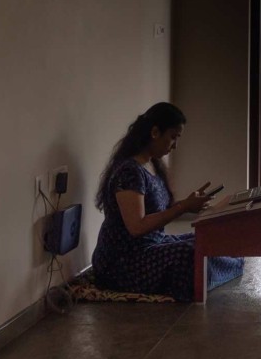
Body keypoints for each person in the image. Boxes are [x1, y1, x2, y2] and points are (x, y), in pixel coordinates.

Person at [91, 102, 243, 300]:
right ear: (155, 132)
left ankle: (210, 273)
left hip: (152, 245)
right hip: (123, 262)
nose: (175, 145)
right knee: (192, 253)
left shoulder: (150, 165)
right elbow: (136, 226)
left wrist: (190, 204)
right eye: (173, 137)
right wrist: (182, 207)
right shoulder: (129, 172)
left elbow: (158, 209)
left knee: (209, 240)